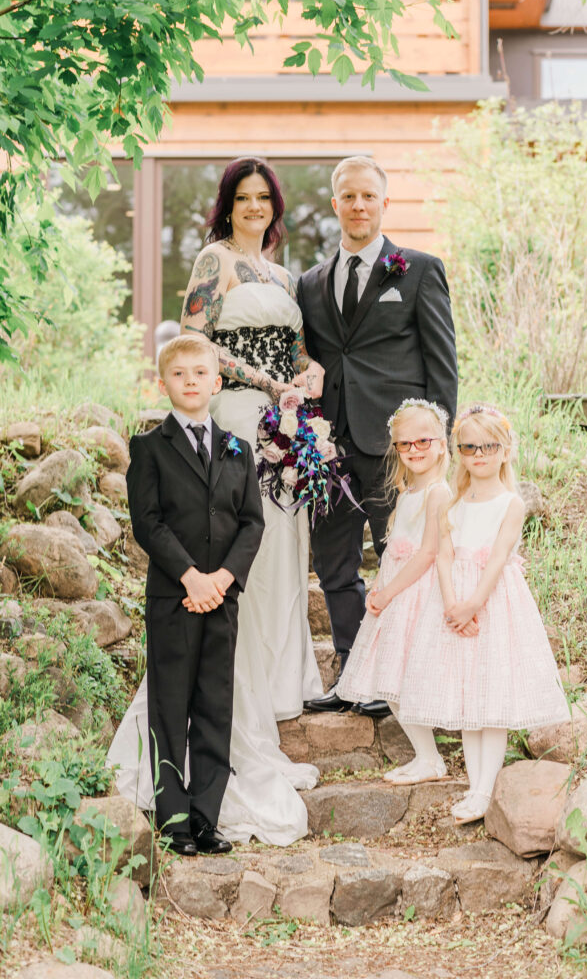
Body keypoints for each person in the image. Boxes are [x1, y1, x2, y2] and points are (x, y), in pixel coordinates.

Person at [109, 158, 326, 848]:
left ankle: (255, 721)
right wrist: (262, 381)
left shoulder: (286, 275)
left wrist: (304, 375)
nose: (254, 207)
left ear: (275, 206)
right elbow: (192, 345)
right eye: (243, 197)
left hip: (278, 427)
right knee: (232, 561)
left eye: (264, 198)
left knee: (271, 572)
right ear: (226, 205)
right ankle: (212, 739)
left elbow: (295, 352)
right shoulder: (214, 260)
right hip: (231, 415)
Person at [297, 155, 459, 717]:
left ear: (384, 203)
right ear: (335, 203)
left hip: (398, 454)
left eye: (369, 196)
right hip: (329, 451)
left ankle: (407, 678)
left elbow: (442, 366)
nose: (359, 205)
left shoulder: (417, 270)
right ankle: (352, 676)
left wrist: (434, 450)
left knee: (403, 558)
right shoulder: (310, 283)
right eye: (349, 196)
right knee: (335, 568)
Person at [123, 335, 264, 855]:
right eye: (179, 374)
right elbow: (148, 523)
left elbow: (252, 523)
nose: (189, 381)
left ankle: (206, 815)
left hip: (221, 599)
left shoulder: (237, 450)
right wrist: (190, 576)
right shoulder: (149, 448)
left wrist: (223, 579)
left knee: (213, 706)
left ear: (216, 382)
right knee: (170, 706)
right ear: (164, 383)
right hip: (173, 598)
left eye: (199, 373)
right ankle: (174, 816)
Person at [399, 404, 571, 824]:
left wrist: (473, 604)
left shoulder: (510, 503)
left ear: (505, 449)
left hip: (494, 605)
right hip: (454, 603)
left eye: (487, 446)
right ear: (458, 451)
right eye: (469, 446)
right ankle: (477, 787)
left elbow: (496, 560)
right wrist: (453, 603)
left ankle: (481, 791)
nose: (478, 454)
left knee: (490, 698)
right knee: (467, 698)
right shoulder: (450, 502)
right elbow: (442, 556)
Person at [337, 399, 469, 784]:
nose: (414, 450)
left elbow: (428, 553)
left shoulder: (438, 493)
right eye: (404, 444)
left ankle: (430, 757)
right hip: (396, 589)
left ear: (443, 444)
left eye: (423, 441)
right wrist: (380, 583)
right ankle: (425, 756)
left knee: (406, 675)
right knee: (391, 676)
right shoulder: (409, 490)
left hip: (416, 594)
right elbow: (397, 548)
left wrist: (389, 591)